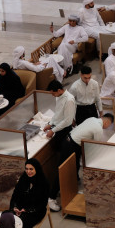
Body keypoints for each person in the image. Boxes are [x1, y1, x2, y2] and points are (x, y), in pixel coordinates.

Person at [42, 81, 75, 212]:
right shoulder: (58, 97)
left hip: (64, 132)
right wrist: (50, 123)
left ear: (60, 90)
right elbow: (57, 114)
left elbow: (67, 120)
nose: (52, 95)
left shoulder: (69, 100)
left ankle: (52, 196)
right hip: (57, 130)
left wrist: (54, 130)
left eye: (53, 93)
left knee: (61, 165)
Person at [10, 159, 49, 228]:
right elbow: (15, 196)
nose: (28, 171)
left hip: (36, 210)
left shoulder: (44, 183)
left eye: (31, 169)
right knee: (6, 217)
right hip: (21, 207)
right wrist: (15, 207)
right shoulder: (23, 179)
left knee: (24, 222)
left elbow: (42, 204)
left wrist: (27, 210)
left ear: (36, 169)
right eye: (26, 169)